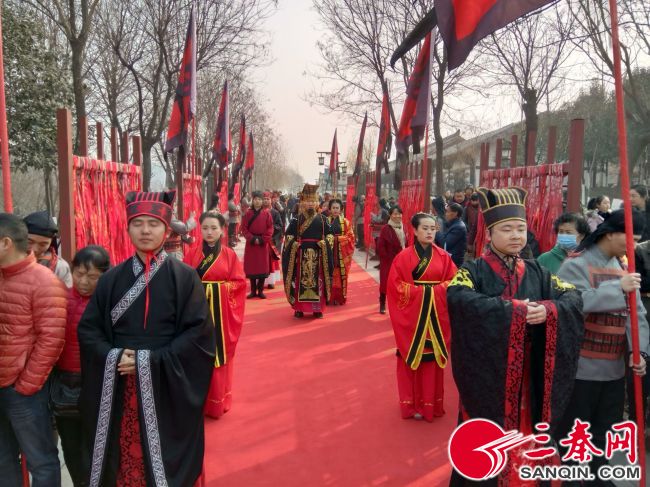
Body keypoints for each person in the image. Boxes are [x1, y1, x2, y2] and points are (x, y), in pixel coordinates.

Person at [447, 187, 584, 486]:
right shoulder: (473, 270)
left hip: (530, 375)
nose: (516, 236)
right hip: (490, 377)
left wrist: (550, 310)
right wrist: (516, 311)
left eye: (521, 229)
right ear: (490, 232)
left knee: (529, 432)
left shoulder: (538, 272)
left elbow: (572, 297)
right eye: (506, 229)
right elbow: (458, 298)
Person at [77, 190, 216, 487]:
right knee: (121, 462)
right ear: (127, 228)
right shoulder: (111, 279)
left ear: (166, 230)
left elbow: (198, 335)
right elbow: (89, 330)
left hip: (166, 386)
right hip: (119, 384)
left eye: (153, 224)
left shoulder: (185, 277)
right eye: (137, 223)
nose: (145, 231)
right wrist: (114, 357)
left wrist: (147, 361)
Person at [556, 209, 648, 480]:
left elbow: (637, 314)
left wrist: (639, 352)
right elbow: (575, 304)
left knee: (604, 435)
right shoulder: (575, 265)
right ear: (609, 234)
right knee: (575, 437)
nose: (632, 246)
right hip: (581, 369)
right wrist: (618, 289)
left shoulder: (621, 267)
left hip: (613, 371)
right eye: (629, 239)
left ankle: (601, 480)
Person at [0, 213, 67, 486]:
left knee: (41, 461)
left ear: (5, 243)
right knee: (3, 460)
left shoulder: (44, 281)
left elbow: (51, 340)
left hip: (24, 391)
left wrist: (26, 384)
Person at [386, 213, 457, 421]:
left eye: (433, 228)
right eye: (424, 228)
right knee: (410, 358)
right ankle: (411, 404)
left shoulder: (444, 257)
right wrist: (426, 293)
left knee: (432, 360)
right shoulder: (403, 257)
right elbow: (395, 287)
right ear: (415, 231)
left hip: (435, 318)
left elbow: (454, 282)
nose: (429, 232)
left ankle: (430, 405)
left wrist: (431, 292)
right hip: (413, 319)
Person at [55, 245, 110, 487]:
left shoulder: (109, 304)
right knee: (70, 445)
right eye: (79, 273)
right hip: (64, 383)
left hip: (96, 384)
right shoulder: (59, 298)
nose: (84, 281)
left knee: (95, 446)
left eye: (92, 276)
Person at [184, 212, 246, 419]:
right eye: (205, 228)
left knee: (217, 355)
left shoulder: (229, 255)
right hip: (196, 313)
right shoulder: (192, 254)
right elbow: (184, 283)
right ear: (199, 229)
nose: (209, 232)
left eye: (214, 228)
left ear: (222, 230)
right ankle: (196, 402)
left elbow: (239, 283)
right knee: (196, 354)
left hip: (220, 315)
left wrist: (215, 290)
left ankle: (218, 401)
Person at [282, 183, 334, 319]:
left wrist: (325, 243)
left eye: (313, 201)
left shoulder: (323, 220)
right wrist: (294, 245)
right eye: (308, 201)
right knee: (300, 280)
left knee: (319, 280)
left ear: (317, 202)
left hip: (318, 253)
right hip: (301, 254)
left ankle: (317, 309)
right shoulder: (296, 220)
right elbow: (288, 237)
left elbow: (330, 235)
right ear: (303, 202)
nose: (311, 204)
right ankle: (299, 308)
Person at [24, 210, 73, 287]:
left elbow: (66, 296)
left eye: (43, 244)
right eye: (29, 242)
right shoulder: (8, 259)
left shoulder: (59, 266)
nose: (35, 249)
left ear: (51, 242)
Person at [241, 190, 274, 299]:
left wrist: (262, 239)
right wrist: (252, 238)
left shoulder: (267, 214)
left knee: (262, 268)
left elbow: (270, 228)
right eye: (255, 199)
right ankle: (253, 291)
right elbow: (244, 229)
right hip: (251, 244)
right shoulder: (248, 214)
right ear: (253, 200)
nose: (257, 201)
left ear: (262, 201)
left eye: (259, 199)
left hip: (262, 244)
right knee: (252, 268)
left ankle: (260, 291)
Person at [377, 206, 406, 314]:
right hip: (388, 261)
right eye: (395, 214)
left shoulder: (404, 227)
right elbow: (381, 246)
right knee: (385, 282)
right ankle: (382, 303)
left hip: (402, 261)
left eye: (399, 214)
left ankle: (398, 305)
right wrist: (386, 257)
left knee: (401, 283)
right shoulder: (386, 228)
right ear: (390, 215)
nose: (398, 216)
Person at [327, 198, 355, 305]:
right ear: (330, 209)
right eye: (333, 208)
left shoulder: (345, 222)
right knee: (328, 274)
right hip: (329, 252)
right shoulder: (325, 220)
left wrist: (338, 239)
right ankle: (329, 297)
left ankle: (339, 297)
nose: (335, 210)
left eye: (337, 208)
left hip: (341, 254)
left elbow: (351, 237)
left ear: (341, 209)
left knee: (340, 275)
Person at [435, 202, 467, 268]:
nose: (445, 214)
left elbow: (445, 244)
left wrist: (437, 232)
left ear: (455, 213)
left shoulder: (459, 227)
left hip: (454, 261)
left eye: (447, 211)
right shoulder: (453, 224)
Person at [263, 191, 283, 289]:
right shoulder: (258, 212)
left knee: (271, 262)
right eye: (264, 199)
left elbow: (279, 226)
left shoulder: (275, 213)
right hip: (261, 241)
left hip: (271, 241)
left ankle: (271, 281)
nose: (266, 201)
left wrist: (270, 229)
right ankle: (261, 281)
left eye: (268, 199)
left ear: (271, 200)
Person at [463, 193, 480, 259]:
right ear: (470, 200)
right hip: (469, 232)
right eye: (473, 200)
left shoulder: (481, 209)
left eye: (476, 200)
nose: (474, 202)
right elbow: (463, 220)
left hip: (478, 232)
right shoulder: (466, 208)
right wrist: (468, 228)